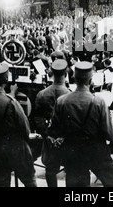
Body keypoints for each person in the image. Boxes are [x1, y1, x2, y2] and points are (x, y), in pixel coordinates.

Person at [48, 62, 113, 187]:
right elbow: (110, 134)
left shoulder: (61, 101)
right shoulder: (99, 102)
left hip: (72, 151)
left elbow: (55, 130)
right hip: (96, 151)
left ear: (74, 79)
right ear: (91, 80)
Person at [0, 63, 37, 187]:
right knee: (30, 180)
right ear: (6, 80)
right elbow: (25, 129)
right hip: (16, 149)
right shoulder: (11, 102)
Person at [34, 59, 70, 187]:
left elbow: (37, 118)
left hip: (49, 137)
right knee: (70, 169)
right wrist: (64, 137)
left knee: (50, 169)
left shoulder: (42, 94)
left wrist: (47, 135)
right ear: (66, 74)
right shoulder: (70, 94)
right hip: (67, 139)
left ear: (52, 74)